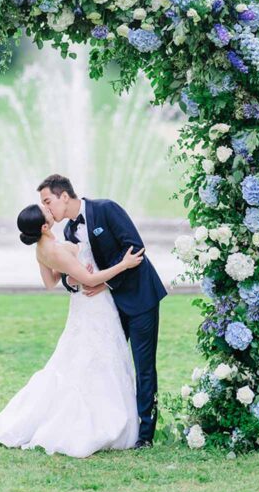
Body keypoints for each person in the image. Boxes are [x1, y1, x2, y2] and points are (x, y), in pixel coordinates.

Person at [0, 200, 143, 457]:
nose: (50, 211)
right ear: (43, 226)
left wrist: (70, 276)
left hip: (79, 306)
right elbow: (90, 280)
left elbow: (50, 282)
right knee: (99, 357)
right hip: (92, 304)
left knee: (80, 358)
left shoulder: (42, 248)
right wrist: (123, 265)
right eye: (45, 212)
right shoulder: (53, 247)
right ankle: (99, 421)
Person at [38, 174, 167, 448]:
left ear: (64, 196)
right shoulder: (68, 233)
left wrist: (105, 282)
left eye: (48, 201)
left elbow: (134, 247)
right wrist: (73, 281)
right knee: (111, 365)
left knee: (144, 368)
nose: (47, 209)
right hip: (107, 308)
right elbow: (66, 274)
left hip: (139, 297)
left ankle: (145, 435)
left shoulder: (106, 209)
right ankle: (114, 425)